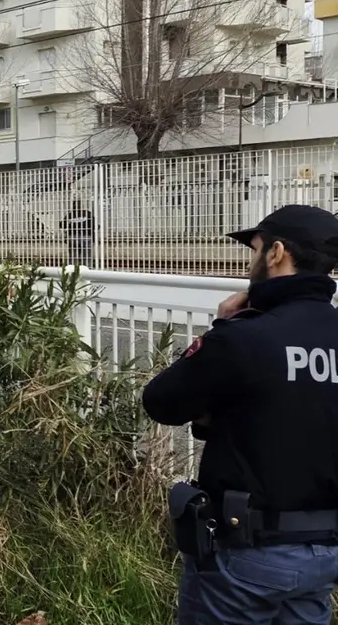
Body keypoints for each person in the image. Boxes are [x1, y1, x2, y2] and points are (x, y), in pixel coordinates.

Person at [142, 204, 338, 623]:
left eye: (256, 249)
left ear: (277, 253)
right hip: (324, 553)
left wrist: (221, 326)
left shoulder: (244, 337)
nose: (252, 262)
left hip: (247, 555)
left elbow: (161, 402)